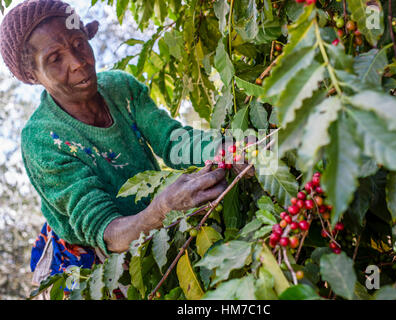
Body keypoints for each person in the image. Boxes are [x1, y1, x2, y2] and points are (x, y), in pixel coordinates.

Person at [0, 0, 252, 296]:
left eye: (78, 43)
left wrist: (227, 149)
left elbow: (172, 141)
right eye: (55, 58)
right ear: (34, 77)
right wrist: (162, 209)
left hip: (147, 227)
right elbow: (106, 230)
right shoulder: (42, 139)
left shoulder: (121, 89)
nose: (78, 62)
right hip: (92, 263)